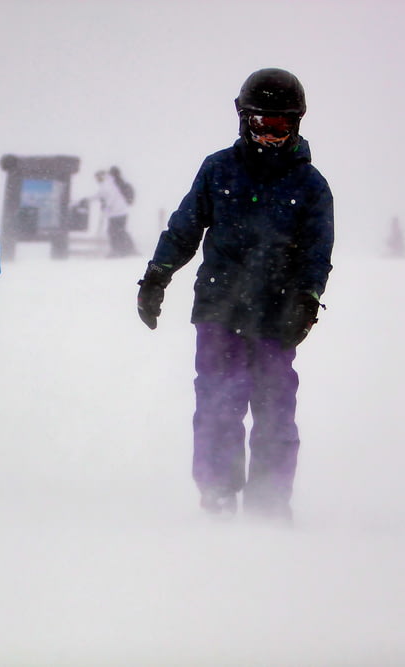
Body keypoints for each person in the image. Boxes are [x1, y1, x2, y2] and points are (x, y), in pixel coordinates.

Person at [135, 69, 334, 521]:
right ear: (244, 120)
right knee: (218, 404)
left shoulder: (311, 186)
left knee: (275, 409)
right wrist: (157, 276)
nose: (269, 135)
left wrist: (306, 299)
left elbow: (317, 254)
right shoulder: (219, 169)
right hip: (220, 308)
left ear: (296, 124)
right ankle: (218, 494)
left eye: (280, 125)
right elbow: (185, 227)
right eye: (261, 123)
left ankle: (268, 502)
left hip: (276, 312)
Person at [91, 167, 137, 257]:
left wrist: (106, 208)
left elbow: (111, 197)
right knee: (118, 231)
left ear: (101, 176)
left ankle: (118, 250)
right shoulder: (109, 183)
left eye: (97, 178)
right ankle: (125, 249)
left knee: (114, 232)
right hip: (119, 212)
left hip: (117, 212)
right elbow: (101, 195)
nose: (96, 180)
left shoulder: (107, 184)